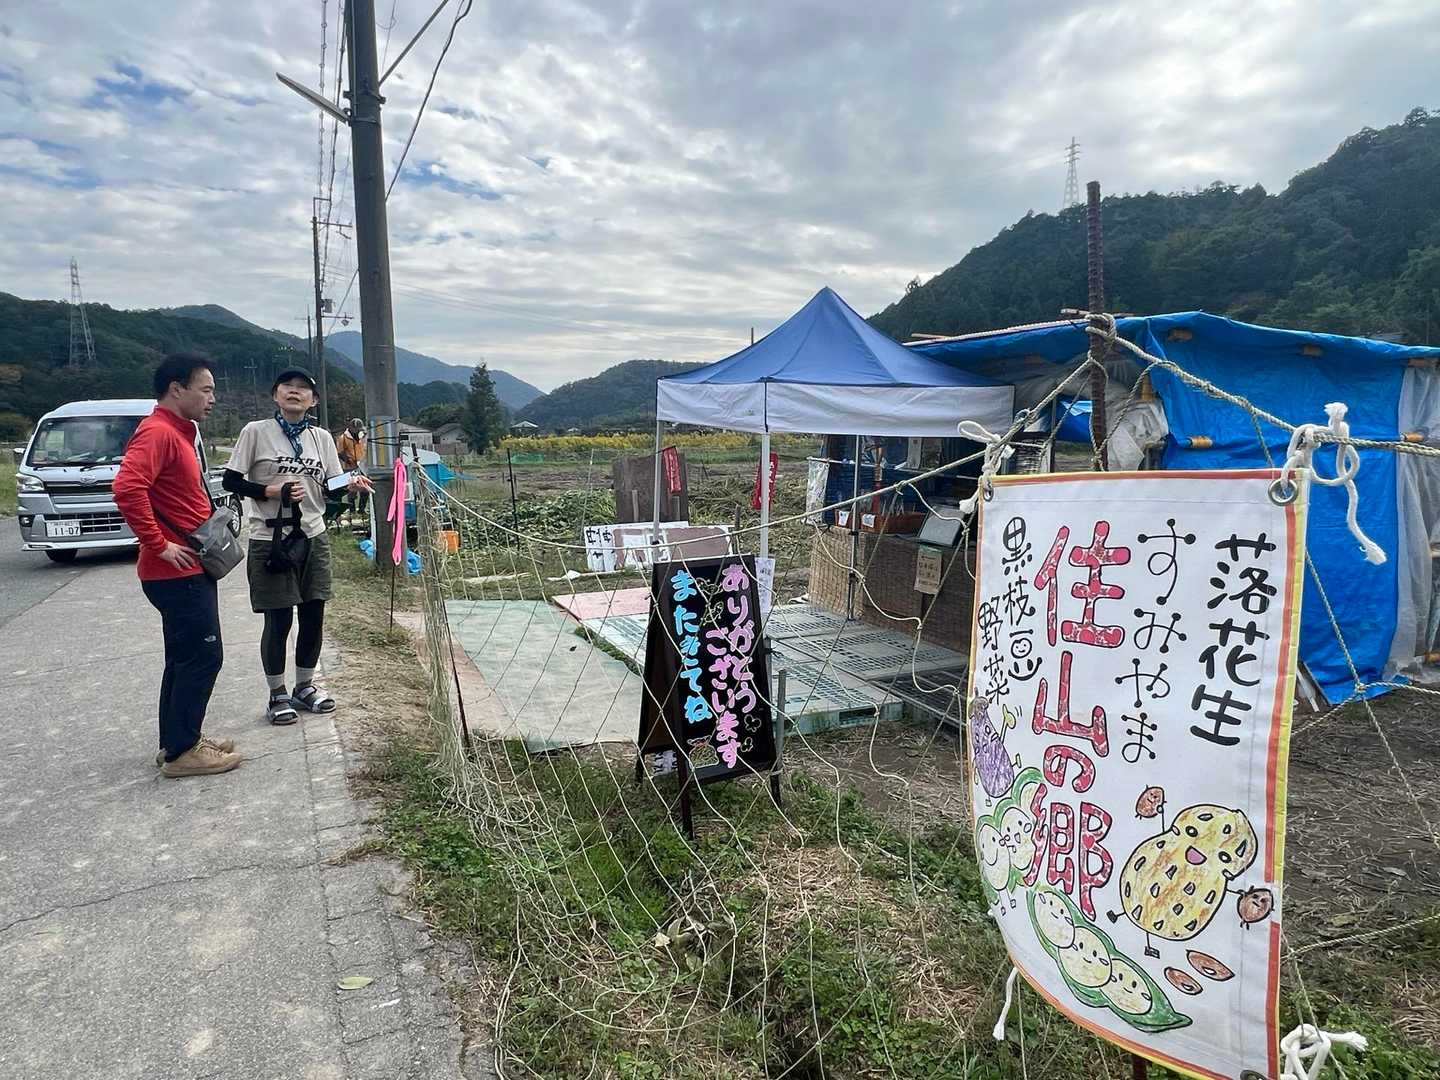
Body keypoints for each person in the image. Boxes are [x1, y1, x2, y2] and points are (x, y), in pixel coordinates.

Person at [113, 353, 242, 778]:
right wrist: (159, 544)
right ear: (176, 388)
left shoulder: (176, 432)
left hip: (184, 571)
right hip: (177, 572)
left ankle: (177, 740)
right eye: (205, 389)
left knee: (183, 658)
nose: (212, 398)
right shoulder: (158, 433)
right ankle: (184, 752)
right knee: (204, 657)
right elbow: (127, 488)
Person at [224, 368, 373, 724]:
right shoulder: (256, 432)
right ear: (275, 395)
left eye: (303, 388)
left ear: (314, 400)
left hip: (313, 535)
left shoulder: (321, 438)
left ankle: (304, 687)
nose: (294, 392)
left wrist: (350, 484)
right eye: (287, 386)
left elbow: (330, 485)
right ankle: (277, 694)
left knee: (313, 615)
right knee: (278, 620)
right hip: (270, 538)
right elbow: (231, 480)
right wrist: (270, 491)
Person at [336, 417, 368, 521]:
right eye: (356, 429)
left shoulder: (362, 437)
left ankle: (362, 510)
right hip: (350, 467)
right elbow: (340, 452)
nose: (358, 431)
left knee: (364, 488)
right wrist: (348, 460)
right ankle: (352, 511)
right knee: (352, 490)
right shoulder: (343, 438)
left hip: (362, 465)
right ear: (351, 428)